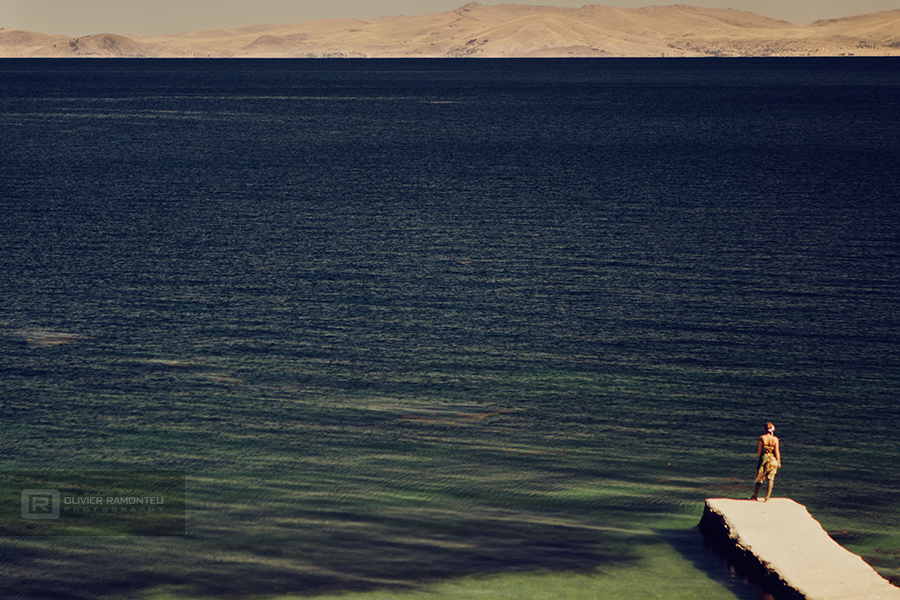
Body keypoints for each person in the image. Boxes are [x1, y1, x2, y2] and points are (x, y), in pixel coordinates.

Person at [750, 422, 780, 501]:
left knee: (759, 478)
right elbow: (777, 452)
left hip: (764, 458)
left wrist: (761, 458)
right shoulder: (775, 439)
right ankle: (767, 497)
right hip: (773, 460)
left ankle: (755, 496)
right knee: (770, 478)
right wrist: (779, 462)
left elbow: (759, 451)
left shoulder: (762, 438)